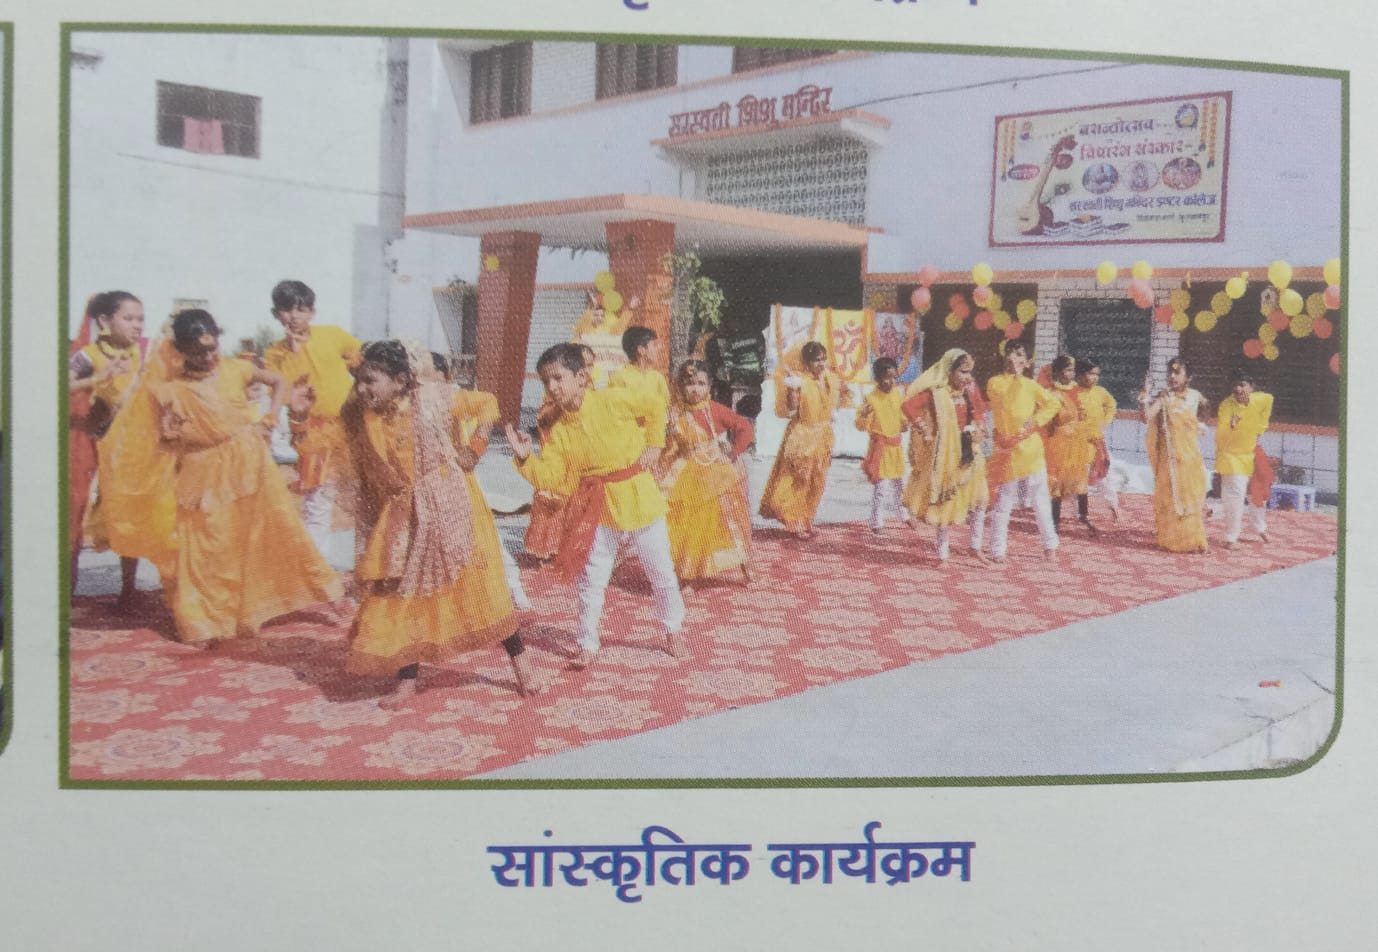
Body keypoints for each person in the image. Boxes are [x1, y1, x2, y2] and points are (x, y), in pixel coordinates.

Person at [341, 340, 540, 708]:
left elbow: (487, 403)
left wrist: (474, 448)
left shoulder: (432, 399)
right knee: (405, 596)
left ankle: (522, 665)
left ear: (401, 381)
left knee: (481, 588)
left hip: (452, 507)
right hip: (406, 516)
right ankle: (407, 681)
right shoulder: (366, 414)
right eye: (359, 381)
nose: (363, 389)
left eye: (371, 381)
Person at [151, 309, 343, 644]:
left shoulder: (236, 369)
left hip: (249, 462)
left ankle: (319, 594)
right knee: (208, 544)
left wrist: (271, 416)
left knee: (269, 531)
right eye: (197, 352)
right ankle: (205, 620)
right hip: (201, 470)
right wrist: (168, 435)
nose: (208, 358)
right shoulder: (170, 389)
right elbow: (165, 438)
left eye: (212, 349)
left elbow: (278, 381)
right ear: (180, 351)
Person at [506, 343, 687, 669]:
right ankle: (587, 643)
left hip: (639, 497)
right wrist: (525, 458)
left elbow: (656, 404)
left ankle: (672, 628)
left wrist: (655, 444)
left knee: (660, 570)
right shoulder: (559, 430)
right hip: (595, 508)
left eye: (558, 378)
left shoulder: (612, 399)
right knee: (592, 580)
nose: (552, 387)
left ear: (581, 377)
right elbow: (552, 478)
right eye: (546, 381)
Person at [262, 279, 362, 562]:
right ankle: (317, 567)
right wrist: (294, 354)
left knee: (363, 494)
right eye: (287, 309)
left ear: (312, 312)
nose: (294, 316)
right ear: (276, 314)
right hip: (313, 433)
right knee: (317, 499)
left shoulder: (333, 334)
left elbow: (364, 359)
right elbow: (284, 395)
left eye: (301, 309)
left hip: (352, 424)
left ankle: (370, 567)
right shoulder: (275, 353)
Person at [68, 291, 147, 605]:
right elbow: (57, 385)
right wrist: (98, 378)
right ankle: (67, 592)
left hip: (128, 445)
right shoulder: (88, 355)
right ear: (104, 321)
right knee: (75, 510)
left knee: (131, 513)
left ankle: (128, 590)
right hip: (90, 442)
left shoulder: (141, 353)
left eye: (140, 319)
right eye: (128, 318)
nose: (137, 325)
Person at [657, 359, 754, 588]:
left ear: (709, 385)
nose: (695, 389)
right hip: (685, 472)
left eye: (701, 383)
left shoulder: (714, 410)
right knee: (687, 523)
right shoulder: (675, 413)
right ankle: (688, 573)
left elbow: (745, 428)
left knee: (727, 520)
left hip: (714, 472)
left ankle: (744, 566)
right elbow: (668, 446)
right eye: (690, 383)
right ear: (681, 386)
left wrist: (733, 453)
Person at [903, 349, 992, 567]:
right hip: (947, 454)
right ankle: (942, 555)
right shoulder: (936, 393)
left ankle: (975, 548)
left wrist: (981, 425)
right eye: (963, 372)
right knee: (944, 505)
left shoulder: (970, 388)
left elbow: (978, 409)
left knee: (979, 502)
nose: (968, 377)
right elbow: (908, 407)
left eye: (969, 372)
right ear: (949, 372)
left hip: (971, 450)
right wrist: (925, 429)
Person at [759, 340, 848, 539]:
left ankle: (807, 519)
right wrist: (792, 389)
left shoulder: (830, 380)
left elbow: (837, 403)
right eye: (816, 360)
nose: (821, 364)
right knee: (800, 479)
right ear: (807, 363)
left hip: (823, 436)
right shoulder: (800, 382)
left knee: (817, 481)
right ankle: (794, 521)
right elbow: (791, 410)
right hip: (803, 436)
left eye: (823, 359)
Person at [985, 340, 1060, 562]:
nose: (1013, 357)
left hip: (1030, 450)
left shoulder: (1030, 385)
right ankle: (998, 550)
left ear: (1027, 362)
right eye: (1010, 352)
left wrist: (1036, 420)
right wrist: (1017, 378)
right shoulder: (995, 382)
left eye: (1019, 355)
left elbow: (1053, 404)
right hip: (1007, 450)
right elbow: (1006, 402)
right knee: (1004, 501)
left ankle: (1050, 546)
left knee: (1040, 500)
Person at [1142, 356, 1210, 553]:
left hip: (1189, 456)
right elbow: (1146, 417)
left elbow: (1206, 408)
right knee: (1170, 497)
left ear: (1189, 377)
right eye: (1170, 372)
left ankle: (1193, 539)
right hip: (1170, 458)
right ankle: (1173, 540)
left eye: (1177, 373)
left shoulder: (1196, 396)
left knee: (1190, 496)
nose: (1172, 376)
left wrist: (1200, 425)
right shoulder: (1164, 398)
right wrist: (1145, 393)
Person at [1214, 367, 1274, 548]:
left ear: (1251, 386)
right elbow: (1220, 437)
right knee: (1235, 495)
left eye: (1242, 384)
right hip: (1232, 457)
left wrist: (1260, 427)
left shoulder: (1261, 399)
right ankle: (1231, 538)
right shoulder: (1226, 406)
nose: (1238, 389)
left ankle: (1258, 526)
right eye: (1234, 385)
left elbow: (1269, 401)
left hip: (1252, 452)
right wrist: (1231, 426)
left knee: (1258, 489)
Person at [1043, 354, 1098, 536]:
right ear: (1058, 372)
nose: (1072, 374)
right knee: (1057, 483)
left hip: (1077, 441)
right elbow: (1048, 422)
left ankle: (1083, 515)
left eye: (1073, 370)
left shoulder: (1075, 389)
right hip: (1059, 442)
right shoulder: (1051, 394)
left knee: (1080, 479)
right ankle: (1054, 522)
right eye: (1068, 370)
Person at [856, 356, 913, 534]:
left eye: (894, 377)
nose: (892, 381)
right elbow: (860, 425)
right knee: (881, 488)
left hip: (896, 447)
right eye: (888, 377)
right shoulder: (871, 398)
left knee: (900, 484)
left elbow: (901, 415)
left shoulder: (897, 394)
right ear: (879, 377)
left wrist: (904, 423)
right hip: (881, 448)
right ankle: (876, 522)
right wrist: (864, 415)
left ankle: (904, 515)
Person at [608, 325, 670, 470]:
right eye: (654, 345)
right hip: (629, 447)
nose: (659, 349)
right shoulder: (619, 378)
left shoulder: (657, 378)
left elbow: (666, 411)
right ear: (641, 350)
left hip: (656, 444)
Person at [1076, 358, 1119, 521]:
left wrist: (1105, 421)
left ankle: (1112, 506)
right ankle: (1080, 512)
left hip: (1096, 442)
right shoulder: (1072, 392)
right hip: (1077, 443)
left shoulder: (1100, 392)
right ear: (1080, 375)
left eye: (1097, 374)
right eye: (1091, 373)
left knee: (1104, 476)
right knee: (1077, 477)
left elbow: (1112, 405)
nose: (1094, 377)